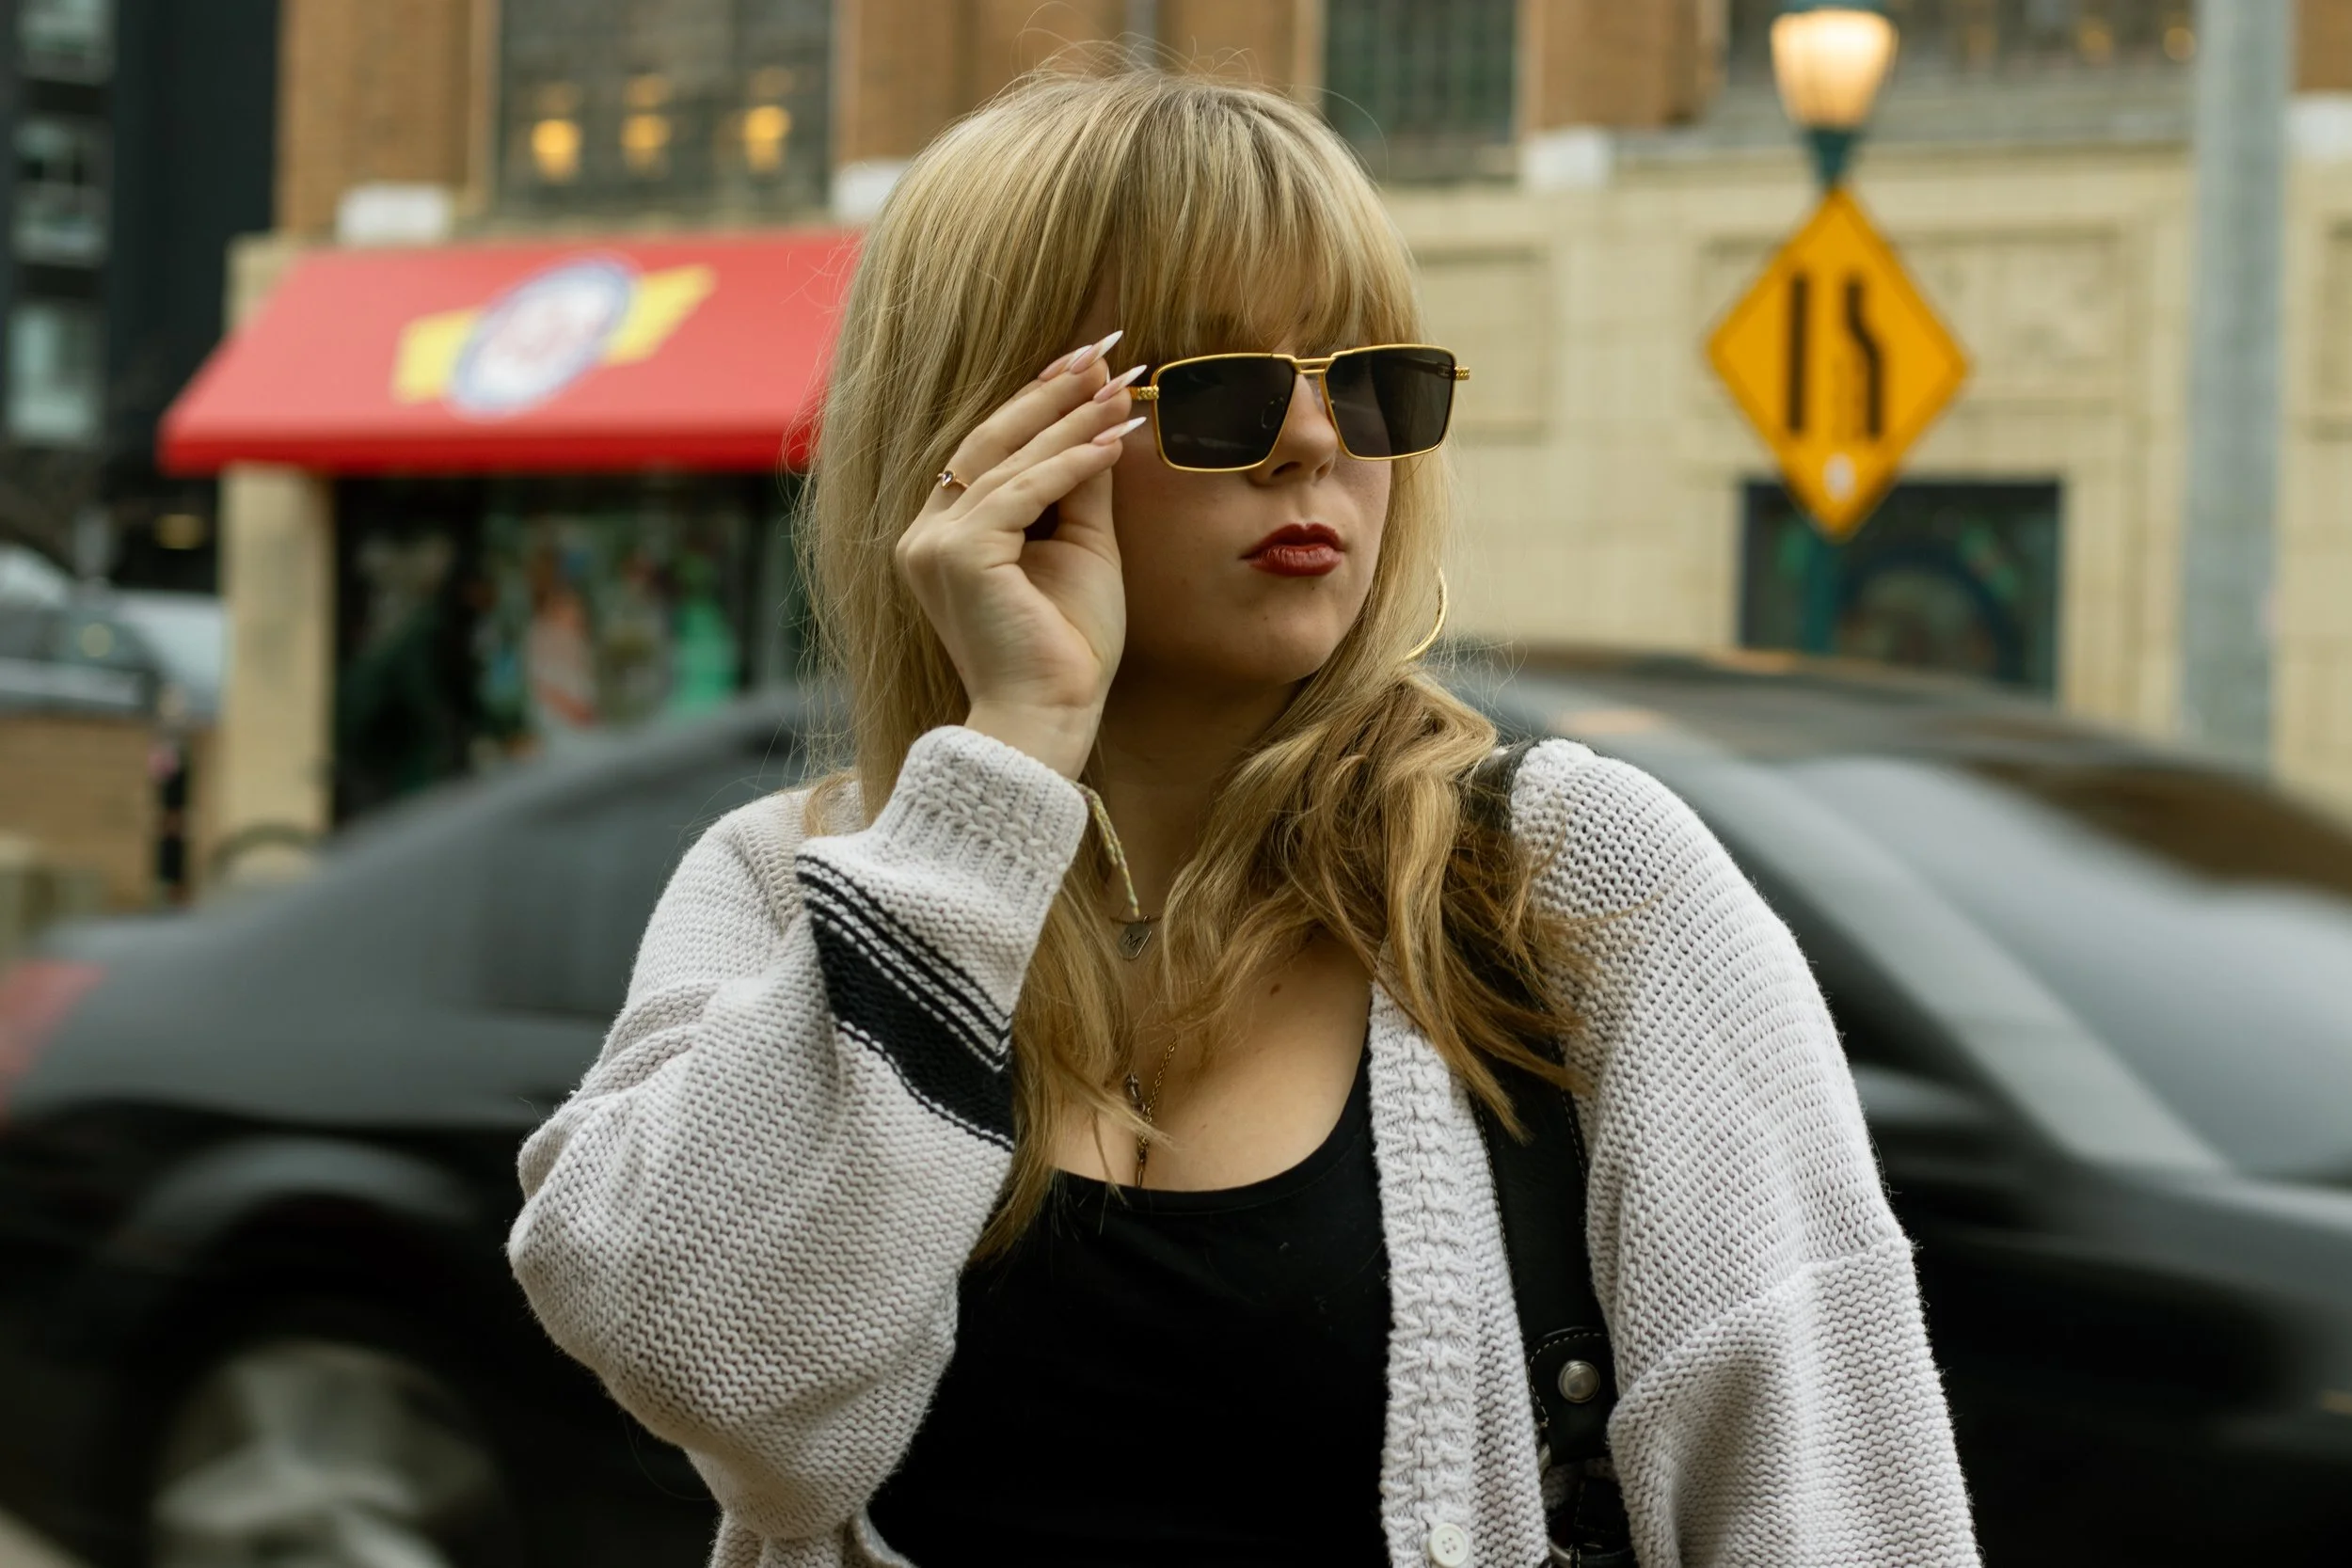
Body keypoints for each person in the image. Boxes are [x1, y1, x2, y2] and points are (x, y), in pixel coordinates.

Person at [507, 67, 1979, 1568]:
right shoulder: (796, 889)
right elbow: (711, 1364)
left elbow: (1842, 1515)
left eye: (1370, 384)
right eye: (1217, 390)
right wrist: (1001, 768)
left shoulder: (1567, 887)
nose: (1315, 444)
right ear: (984, 442)